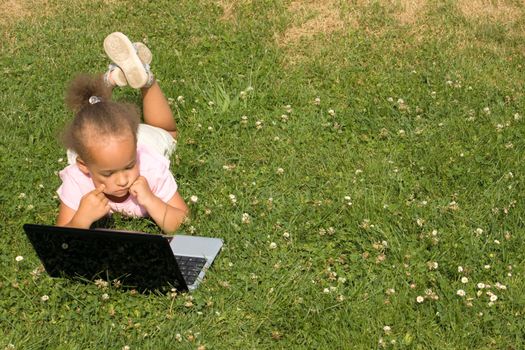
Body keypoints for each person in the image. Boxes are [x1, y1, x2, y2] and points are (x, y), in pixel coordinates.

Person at [56, 32, 188, 234]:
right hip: (103, 148)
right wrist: (81, 219)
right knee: (90, 122)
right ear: (83, 166)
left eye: (129, 167)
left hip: (143, 140)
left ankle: (146, 80)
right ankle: (111, 79)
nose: (122, 180)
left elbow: (184, 222)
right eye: (108, 174)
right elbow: (60, 238)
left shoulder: (149, 168)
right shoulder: (78, 178)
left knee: (168, 132)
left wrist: (152, 201)